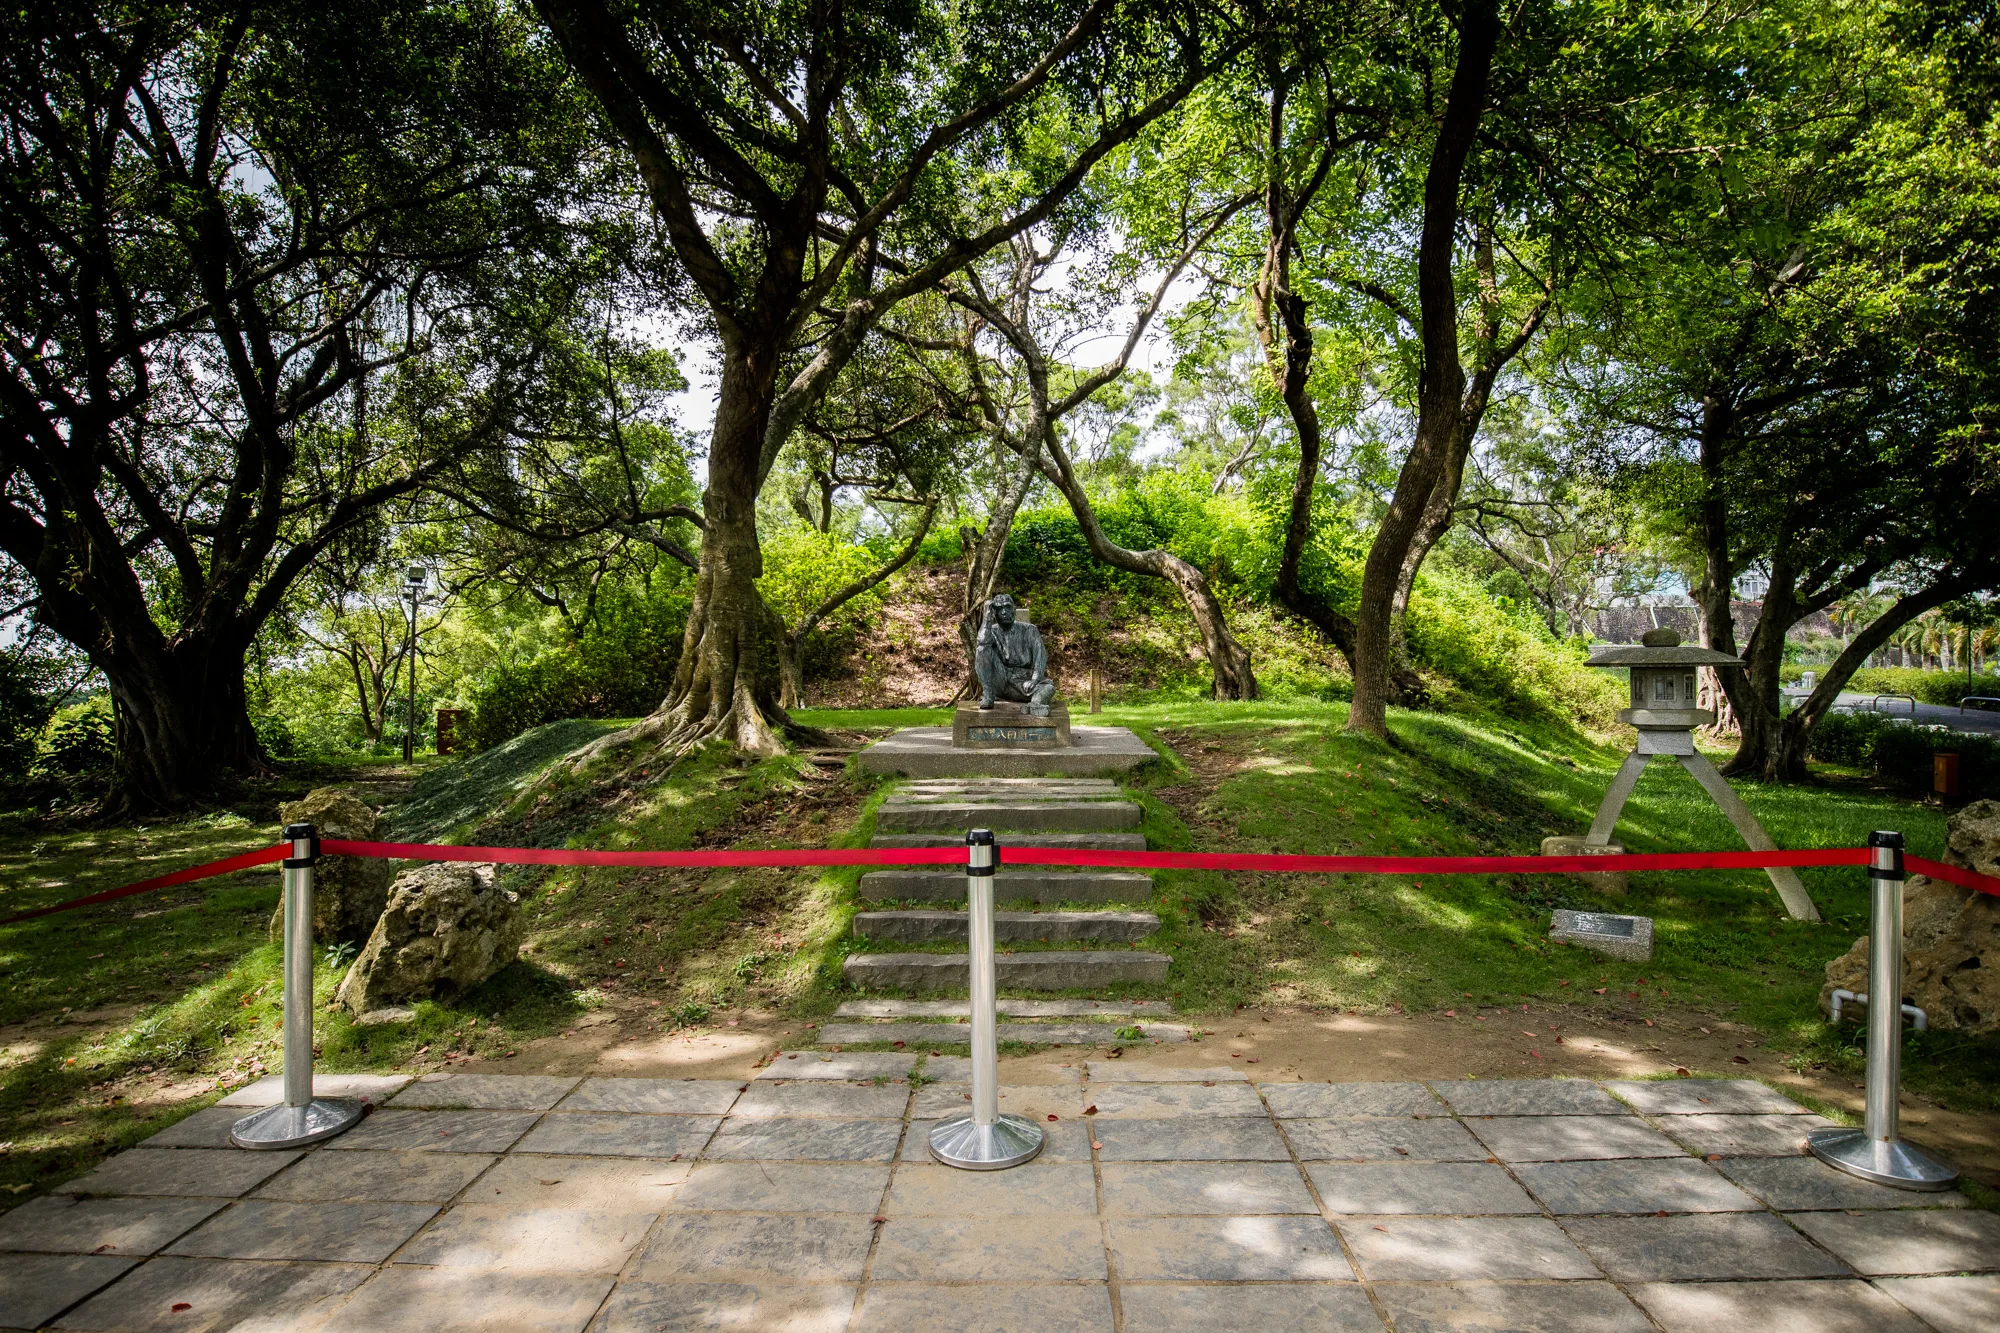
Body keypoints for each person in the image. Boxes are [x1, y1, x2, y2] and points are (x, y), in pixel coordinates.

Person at [975, 594, 1056, 715]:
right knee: (982, 649)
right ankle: (988, 695)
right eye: (999, 609)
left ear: (1014, 609)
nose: (1004, 612)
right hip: (999, 679)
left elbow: (1040, 656)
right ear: (994, 613)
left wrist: (1034, 680)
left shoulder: (1029, 630)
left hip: (1021, 681)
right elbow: (982, 641)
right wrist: (987, 617)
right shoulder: (991, 630)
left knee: (1048, 688)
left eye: (1008, 607)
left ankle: (1035, 704)